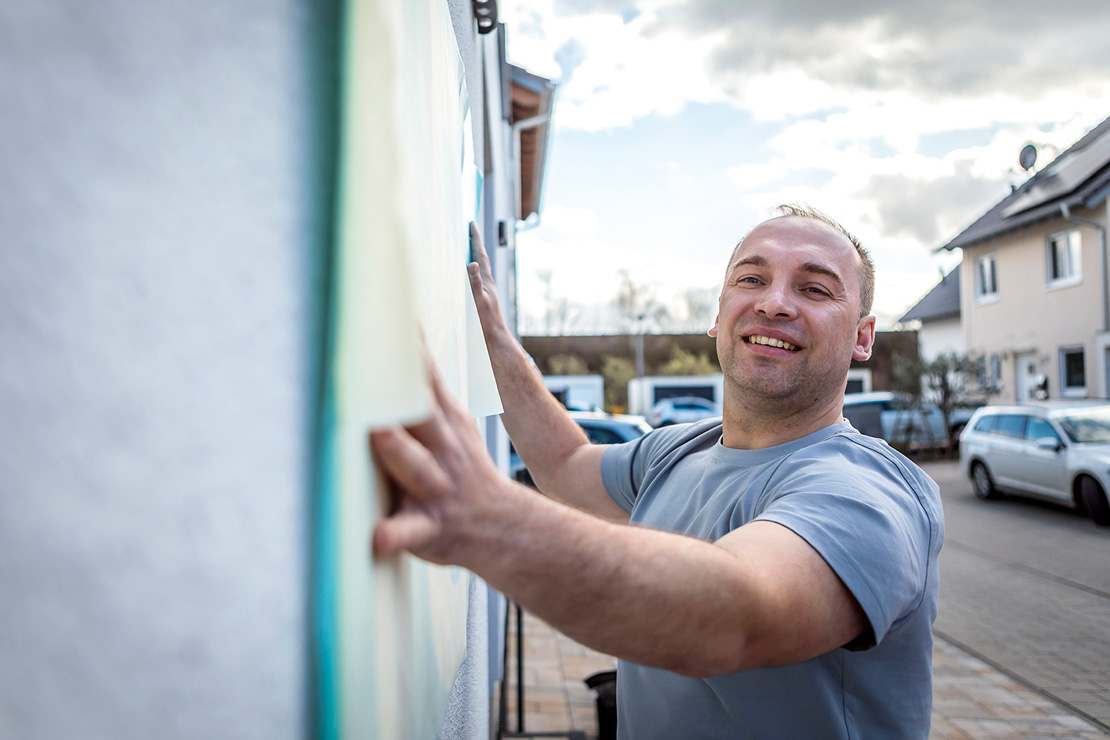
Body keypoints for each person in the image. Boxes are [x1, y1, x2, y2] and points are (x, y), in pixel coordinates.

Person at [370, 205, 943, 739]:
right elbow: (565, 463)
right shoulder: (680, 451)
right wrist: (493, 341)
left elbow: (732, 616)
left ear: (863, 338)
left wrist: (489, 517)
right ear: (719, 318)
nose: (774, 303)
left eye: (814, 288)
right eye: (751, 279)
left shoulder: (869, 491)